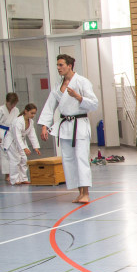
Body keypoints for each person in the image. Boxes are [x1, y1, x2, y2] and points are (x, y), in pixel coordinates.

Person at [38, 54, 99, 204]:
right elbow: (49, 105)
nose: (58, 68)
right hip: (65, 126)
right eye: (57, 65)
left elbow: (94, 103)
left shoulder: (82, 82)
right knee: (69, 160)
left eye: (61, 65)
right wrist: (45, 126)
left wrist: (78, 97)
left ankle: (86, 193)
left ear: (69, 66)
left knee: (81, 158)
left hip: (80, 124)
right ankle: (79, 193)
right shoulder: (58, 85)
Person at [5, 103, 40, 185]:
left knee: (24, 159)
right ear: (26, 111)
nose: (33, 115)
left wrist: (36, 147)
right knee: (15, 160)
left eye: (34, 113)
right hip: (12, 142)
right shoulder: (18, 121)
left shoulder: (31, 121)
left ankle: (23, 178)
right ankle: (15, 179)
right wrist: (24, 148)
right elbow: (17, 136)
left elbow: (32, 134)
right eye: (32, 113)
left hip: (21, 142)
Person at [0, 93, 19, 183]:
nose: (12, 106)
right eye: (11, 103)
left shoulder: (16, 110)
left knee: (14, 153)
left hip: (12, 133)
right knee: (3, 154)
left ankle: (14, 173)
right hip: (2, 132)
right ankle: (7, 174)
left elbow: (17, 122)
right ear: (6, 101)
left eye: (14, 104)